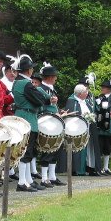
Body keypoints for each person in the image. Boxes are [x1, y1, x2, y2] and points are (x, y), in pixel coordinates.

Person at [11, 54, 52, 192]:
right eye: (31, 69)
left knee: (28, 150)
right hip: (28, 117)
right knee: (26, 151)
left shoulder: (17, 82)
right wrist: (43, 99)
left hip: (22, 116)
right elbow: (39, 99)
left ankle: (28, 179)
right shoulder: (26, 84)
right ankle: (22, 182)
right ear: (28, 70)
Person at [38, 63, 66, 188]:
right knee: (47, 149)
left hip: (54, 121)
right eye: (55, 76)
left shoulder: (51, 88)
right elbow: (39, 106)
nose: (56, 78)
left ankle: (52, 176)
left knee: (55, 149)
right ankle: (44, 178)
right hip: (45, 123)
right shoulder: (40, 89)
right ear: (49, 77)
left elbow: (52, 106)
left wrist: (59, 112)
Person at [64, 83, 101, 176]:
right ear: (80, 94)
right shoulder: (71, 101)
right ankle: (78, 169)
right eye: (85, 92)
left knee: (90, 148)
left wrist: (91, 117)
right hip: (77, 130)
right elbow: (71, 115)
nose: (87, 93)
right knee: (78, 148)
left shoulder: (86, 102)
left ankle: (91, 168)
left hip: (89, 129)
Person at [95, 80, 111, 174]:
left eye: (104, 87)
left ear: (109, 89)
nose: (102, 88)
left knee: (107, 147)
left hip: (109, 127)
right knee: (99, 147)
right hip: (100, 127)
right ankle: (99, 167)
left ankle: (106, 167)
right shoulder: (99, 98)